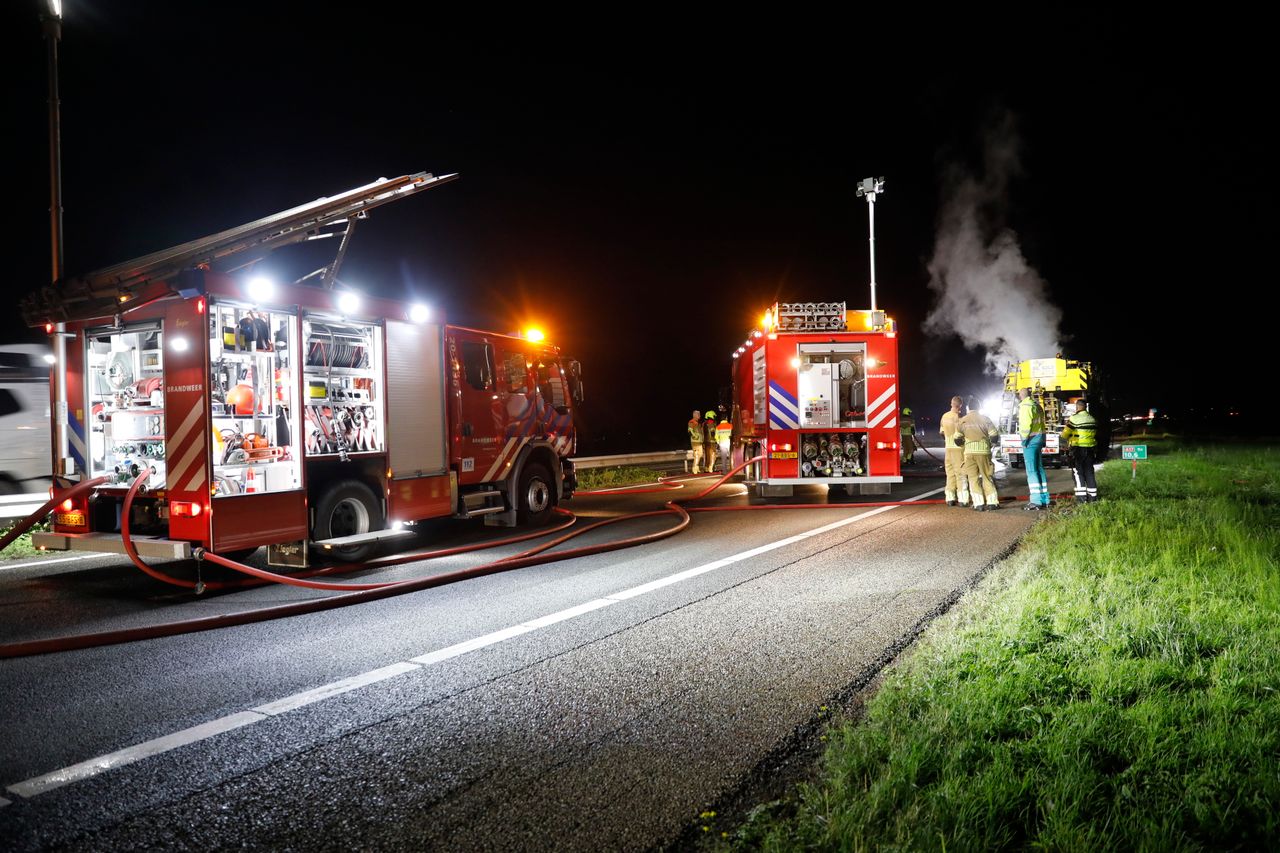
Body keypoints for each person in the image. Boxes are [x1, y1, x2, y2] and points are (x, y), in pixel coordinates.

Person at [956, 396, 1001, 511]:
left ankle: (978, 504)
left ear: (968, 408)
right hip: (984, 452)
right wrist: (991, 444)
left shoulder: (963, 420)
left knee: (973, 478)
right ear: (979, 407)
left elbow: (957, 439)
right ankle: (992, 503)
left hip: (969, 453)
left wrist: (965, 445)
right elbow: (994, 435)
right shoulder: (985, 419)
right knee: (987, 476)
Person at [1062, 396, 1099, 502]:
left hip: (1078, 449)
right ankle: (1093, 498)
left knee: (1078, 472)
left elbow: (1065, 434)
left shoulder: (1074, 418)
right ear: (1085, 407)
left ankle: (1082, 499)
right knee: (1089, 472)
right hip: (1091, 449)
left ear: (1077, 407)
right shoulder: (1092, 419)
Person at [1018, 388, 1050, 511]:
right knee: (1039, 469)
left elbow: (1025, 426)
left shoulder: (1025, 406)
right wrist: (1043, 440)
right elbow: (1043, 424)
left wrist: (1024, 440)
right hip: (1039, 440)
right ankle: (1045, 499)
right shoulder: (1037, 406)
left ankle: (1036, 501)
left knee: (1031, 471)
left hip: (1030, 442)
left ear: (1021, 395)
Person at [939, 396, 968, 506]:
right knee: (960, 474)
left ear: (951, 404)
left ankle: (950, 498)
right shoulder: (960, 418)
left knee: (950, 474)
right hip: (959, 450)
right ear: (960, 405)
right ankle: (963, 499)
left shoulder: (944, 416)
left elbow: (941, 432)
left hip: (948, 449)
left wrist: (947, 440)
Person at [687, 409, 705, 474]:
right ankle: (694, 468)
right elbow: (690, 431)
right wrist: (695, 436)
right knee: (697, 455)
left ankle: (697, 467)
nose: (700, 416)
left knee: (700, 454)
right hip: (695, 442)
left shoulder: (698, 423)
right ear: (695, 415)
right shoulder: (692, 422)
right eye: (698, 415)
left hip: (699, 442)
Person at [702, 410, 719, 474]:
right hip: (712, 442)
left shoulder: (704, 423)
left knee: (707, 456)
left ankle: (706, 468)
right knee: (713, 455)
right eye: (714, 416)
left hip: (705, 442)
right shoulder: (711, 423)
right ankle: (711, 468)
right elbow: (713, 433)